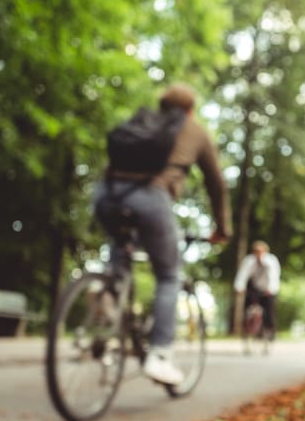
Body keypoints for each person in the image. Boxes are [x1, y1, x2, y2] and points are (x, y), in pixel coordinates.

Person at [93, 83, 231, 385]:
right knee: (169, 276)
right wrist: (222, 228)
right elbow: (216, 183)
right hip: (150, 198)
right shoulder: (194, 129)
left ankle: (107, 295)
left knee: (120, 247)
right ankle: (160, 356)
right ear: (190, 109)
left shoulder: (143, 121)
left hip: (107, 193)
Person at [233, 241, 281, 340]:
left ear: (265, 251)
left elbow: (273, 276)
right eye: (256, 251)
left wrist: (271, 289)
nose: (258, 254)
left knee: (269, 309)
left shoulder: (271, 260)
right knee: (248, 304)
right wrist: (239, 287)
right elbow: (243, 274)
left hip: (268, 288)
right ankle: (247, 326)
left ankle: (270, 329)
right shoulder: (249, 260)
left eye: (260, 251)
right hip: (255, 287)